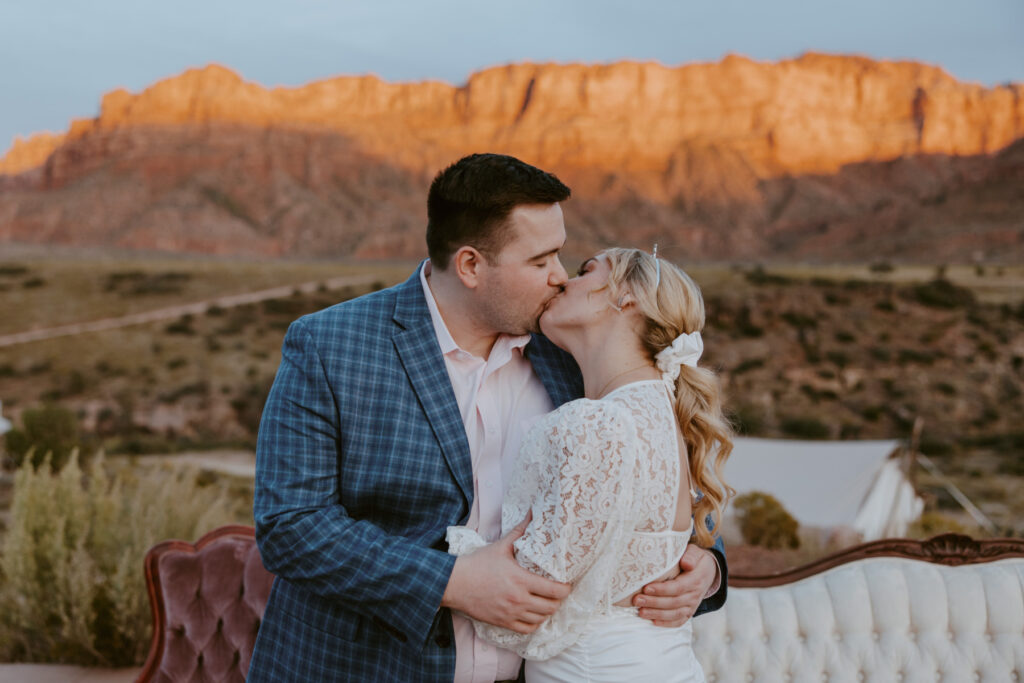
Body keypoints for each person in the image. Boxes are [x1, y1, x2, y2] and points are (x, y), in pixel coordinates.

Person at [249, 153, 728, 682]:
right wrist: (451, 582)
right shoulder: (331, 346)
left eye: (561, 255)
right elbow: (290, 525)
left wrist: (704, 565)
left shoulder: (574, 353)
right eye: (540, 260)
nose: (560, 278)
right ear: (472, 265)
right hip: (365, 670)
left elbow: (656, 469)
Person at [447, 248, 734, 682]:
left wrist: (456, 558)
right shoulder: (662, 410)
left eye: (586, 271)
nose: (563, 280)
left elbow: (531, 606)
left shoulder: (597, 421)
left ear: (628, 300)